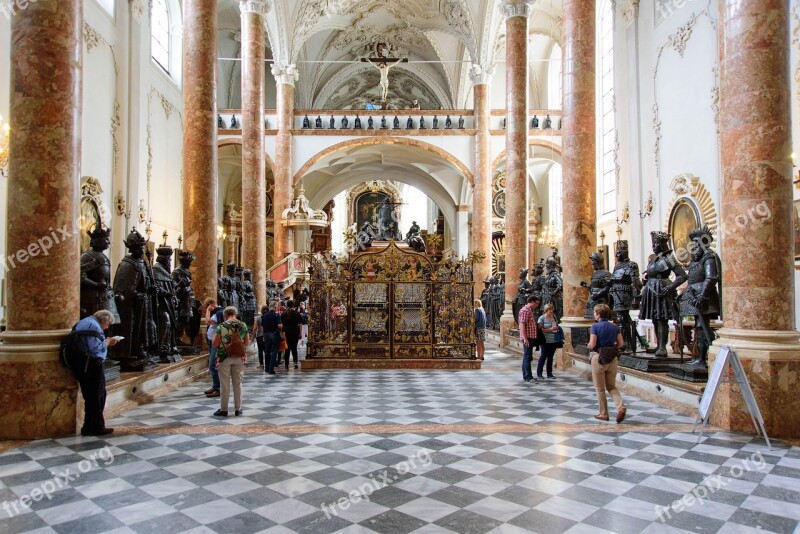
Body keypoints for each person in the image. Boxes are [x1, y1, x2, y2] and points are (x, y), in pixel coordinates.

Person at [68, 310, 119, 436]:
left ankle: (88, 426)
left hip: (82, 364)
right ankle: (96, 427)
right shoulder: (94, 325)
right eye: (108, 324)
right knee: (97, 396)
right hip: (91, 364)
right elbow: (94, 348)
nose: (107, 327)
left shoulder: (85, 322)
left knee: (90, 396)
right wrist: (107, 343)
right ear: (104, 320)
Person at [586, 303, 626, 423]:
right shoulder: (614, 326)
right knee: (612, 386)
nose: (594, 314)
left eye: (594, 312)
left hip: (599, 358)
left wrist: (588, 345)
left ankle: (604, 414)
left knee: (600, 388)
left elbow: (592, 344)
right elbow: (621, 344)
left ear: (598, 314)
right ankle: (621, 407)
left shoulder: (595, 326)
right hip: (612, 359)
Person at [211, 306, 249, 417]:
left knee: (224, 384)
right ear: (235, 314)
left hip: (224, 357)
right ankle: (238, 409)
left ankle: (224, 409)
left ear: (225, 315)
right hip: (239, 357)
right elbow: (246, 343)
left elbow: (214, 344)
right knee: (238, 384)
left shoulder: (221, 326)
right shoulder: (243, 325)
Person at [518, 296, 541, 383]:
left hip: (530, 337)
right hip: (527, 337)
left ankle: (526, 375)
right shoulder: (525, 310)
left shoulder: (529, 310)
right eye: (536, 303)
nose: (537, 306)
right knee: (528, 357)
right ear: (531, 302)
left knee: (527, 357)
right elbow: (522, 325)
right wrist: (525, 338)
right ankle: (528, 377)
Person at [204, 298, 223, 397]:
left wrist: (207, 310)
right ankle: (215, 386)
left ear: (211, 304)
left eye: (207, 306)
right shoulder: (217, 312)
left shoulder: (218, 312)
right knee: (213, 365)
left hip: (217, 343)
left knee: (212, 365)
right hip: (213, 343)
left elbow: (208, 321)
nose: (206, 309)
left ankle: (217, 388)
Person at [536, 303, 560, 380]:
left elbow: (556, 326)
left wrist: (556, 328)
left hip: (553, 339)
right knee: (543, 356)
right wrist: (550, 329)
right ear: (546, 310)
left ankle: (549, 373)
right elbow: (540, 330)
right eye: (549, 310)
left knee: (551, 357)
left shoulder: (554, 317)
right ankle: (539, 373)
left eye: (552, 309)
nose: (551, 311)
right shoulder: (542, 318)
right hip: (544, 340)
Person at [262, 301, 283, 375]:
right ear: (275, 307)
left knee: (267, 351)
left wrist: (263, 336)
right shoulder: (276, 315)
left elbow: (262, 327)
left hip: (266, 334)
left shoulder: (264, 315)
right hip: (273, 334)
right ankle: (271, 369)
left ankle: (267, 368)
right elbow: (280, 326)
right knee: (273, 352)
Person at [281, 300, 302, 369]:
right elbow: (300, 324)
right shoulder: (297, 313)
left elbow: (282, 325)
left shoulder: (283, 314)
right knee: (294, 348)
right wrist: (300, 333)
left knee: (287, 348)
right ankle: (295, 362)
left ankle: (286, 364)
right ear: (293, 305)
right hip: (295, 332)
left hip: (287, 332)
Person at [253, 304, 268, 370]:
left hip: (259, 336)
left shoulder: (258, 318)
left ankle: (261, 364)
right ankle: (268, 364)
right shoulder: (269, 317)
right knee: (267, 350)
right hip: (267, 335)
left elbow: (255, 328)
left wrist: (252, 337)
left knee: (260, 351)